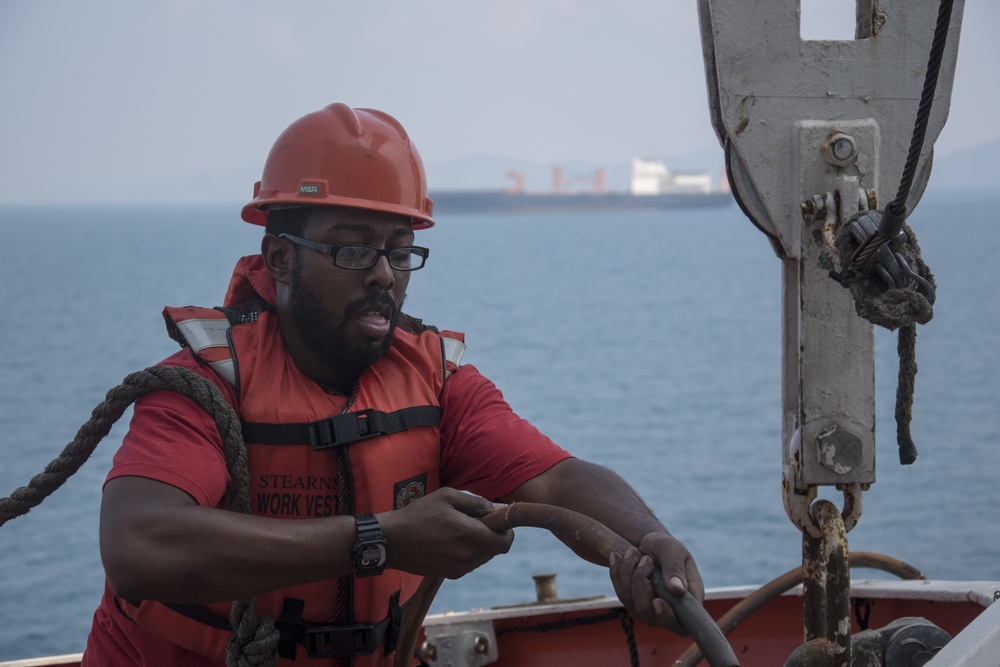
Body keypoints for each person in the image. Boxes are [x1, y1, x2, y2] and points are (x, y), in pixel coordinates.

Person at [82, 102, 704, 666]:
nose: (383, 273)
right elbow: (138, 545)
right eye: (352, 249)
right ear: (278, 258)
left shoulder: (435, 380)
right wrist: (378, 540)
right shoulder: (207, 383)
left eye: (399, 251)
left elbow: (558, 479)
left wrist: (648, 541)